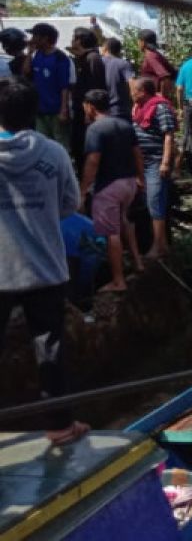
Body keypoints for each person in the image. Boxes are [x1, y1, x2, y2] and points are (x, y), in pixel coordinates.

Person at [0, 80, 89, 446]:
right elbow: (71, 204)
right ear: (35, 112)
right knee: (49, 348)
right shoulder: (52, 153)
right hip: (46, 269)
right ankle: (60, 426)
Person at [79, 88, 143, 292]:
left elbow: (93, 161)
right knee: (125, 220)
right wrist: (140, 178)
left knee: (110, 233)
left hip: (108, 186)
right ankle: (138, 263)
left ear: (90, 107)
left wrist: (82, 190)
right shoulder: (125, 125)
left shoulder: (95, 130)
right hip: (129, 183)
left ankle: (118, 281)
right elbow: (137, 153)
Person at [131, 78, 176, 259]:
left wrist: (165, 162)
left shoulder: (160, 107)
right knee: (150, 203)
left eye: (134, 90)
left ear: (143, 92)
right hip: (142, 162)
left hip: (156, 161)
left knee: (155, 201)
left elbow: (169, 135)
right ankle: (161, 244)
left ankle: (159, 246)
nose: (132, 93)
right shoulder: (138, 108)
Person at [28, 23, 73, 148]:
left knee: (60, 145)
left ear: (45, 38)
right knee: (42, 145)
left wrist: (63, 110)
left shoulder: (60, 58)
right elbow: (26, 72)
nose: (31, 39)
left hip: (55, 111)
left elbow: (64, 86)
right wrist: (29, 53)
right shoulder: (37, 55)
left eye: (34, 36)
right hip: (40, 110)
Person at [71, 27, 109, 167]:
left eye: (74, 38)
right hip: (82, 111)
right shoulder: (82, 58)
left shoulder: (92, 58)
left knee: (87, 149)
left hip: (89, 113)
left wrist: (90, 112)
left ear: (80, 40)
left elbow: (96, 87)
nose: (72, 41)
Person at [100, 38, 135, 120]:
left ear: (105, 48)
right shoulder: (124, 64)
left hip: (101, 111)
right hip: (121, 111)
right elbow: (132, 83)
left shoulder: (98, 62)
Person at [137, 29, 176, 100]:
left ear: (142, 42)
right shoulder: (156, 54)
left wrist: (162, 96)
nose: (138, 44)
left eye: (138, 41)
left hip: (153, 99)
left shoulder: (150, 56)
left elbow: (165, 77)